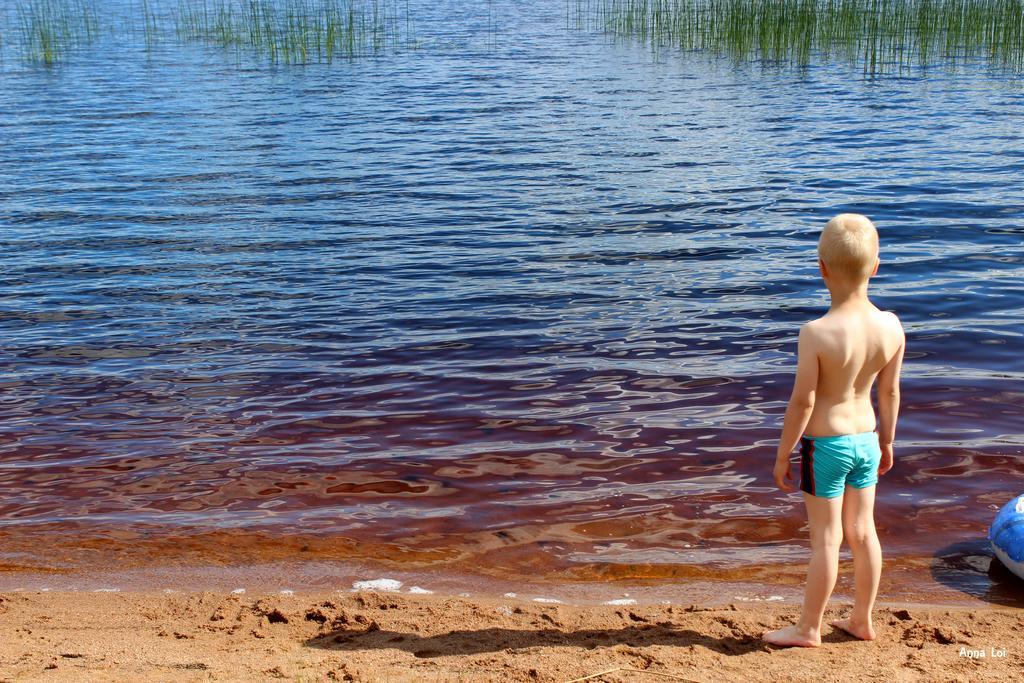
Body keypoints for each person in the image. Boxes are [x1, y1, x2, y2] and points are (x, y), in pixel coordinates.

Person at [762, 213, 905, 648]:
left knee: (827, 539)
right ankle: (861, 619)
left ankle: (808, 628)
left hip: (824, 446)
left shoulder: (816, 333)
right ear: (876, 266)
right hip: (865, 438)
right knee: (863, 532)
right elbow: (890, 394)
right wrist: (887, 441)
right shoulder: (891, 326)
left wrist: (783, 453)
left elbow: (804, 401)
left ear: (821, 267)